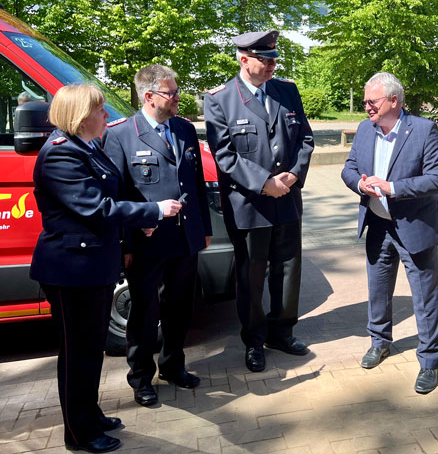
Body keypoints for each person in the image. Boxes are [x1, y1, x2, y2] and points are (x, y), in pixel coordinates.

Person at [30, 84, 181, 453]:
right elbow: (96, 208)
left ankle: (90, 414)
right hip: (71, 270)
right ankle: (79, 434)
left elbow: (109, 201)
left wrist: (135, 222)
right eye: (100, 111)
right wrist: (154, 211)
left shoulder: (87, 147)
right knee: (77, 354)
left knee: (91, 350)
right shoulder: (60, 155)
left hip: (92, 266)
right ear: (81, 117)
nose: (106, 117)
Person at [204, 30, 314, 372]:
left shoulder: (286, 91)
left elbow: (305, 139)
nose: (271, 66)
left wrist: (293, 176)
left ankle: (282, 332)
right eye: (265, 60)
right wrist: (264, 183)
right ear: (244, 59)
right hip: (250, 203)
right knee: (251, 276)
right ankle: (254, 340)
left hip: (287, 198)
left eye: (274, 60)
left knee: (288, 268)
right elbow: (225, 155)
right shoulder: (220, 99)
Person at [103, 64, 212, 406]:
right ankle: (140, 377)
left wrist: (204, 229)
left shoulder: (183, 129)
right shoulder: (121, 134)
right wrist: (124, 243)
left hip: (184, 238)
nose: (178, 97)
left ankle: (173, 365)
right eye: (172, 93)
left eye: (177, 91)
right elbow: (117, 196)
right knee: (145, 312)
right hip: (147, 242)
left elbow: (194, 184)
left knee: (180, 307)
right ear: (149, 96)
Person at [341, 72, 438, 394]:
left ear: (393, 101)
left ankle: (430, 361)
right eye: (365, 101)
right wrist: (359, 183)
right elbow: (348, 168)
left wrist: (393, 188)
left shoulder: (423, 129)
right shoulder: (364, 129)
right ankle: (380, 341)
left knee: (425, 296)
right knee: (378, 289)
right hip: (377, 224)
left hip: (415, 227)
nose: (366, 107)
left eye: (371, 102)